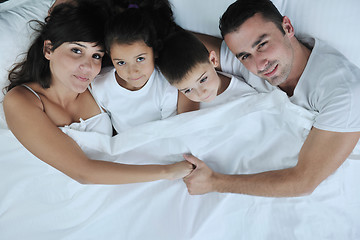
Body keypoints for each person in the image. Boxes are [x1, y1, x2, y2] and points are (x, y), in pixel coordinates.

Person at [3, 1, 193, 185]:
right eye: (76, 50)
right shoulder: (22, 100)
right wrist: (168, 171)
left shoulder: (101, 83)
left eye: (96, 56)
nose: (87, 66)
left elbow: (175, 66)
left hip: (121, 183)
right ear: (48, 49)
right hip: (56, 192)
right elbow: (83, 172)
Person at [183, 0, 360, 197]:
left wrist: (214, 182)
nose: (259, 65)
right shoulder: (253, 62)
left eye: (262, 45)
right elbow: (182, 45)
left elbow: (303, 182)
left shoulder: (343, 91)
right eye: (244, 56)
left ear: (287, 27)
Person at [88, 0, 199, 134]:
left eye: (140, 59)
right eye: (121, 63)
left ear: (155, 51)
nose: (133, 71)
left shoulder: (165, 84)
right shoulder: (100, 85)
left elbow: (171, 130)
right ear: (110, 57)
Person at [157, 29, 257, 108]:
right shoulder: (190, 109)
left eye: (203, 80)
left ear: (213, 60)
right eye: (188, 90)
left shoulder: (244, 92)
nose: (201, 93)